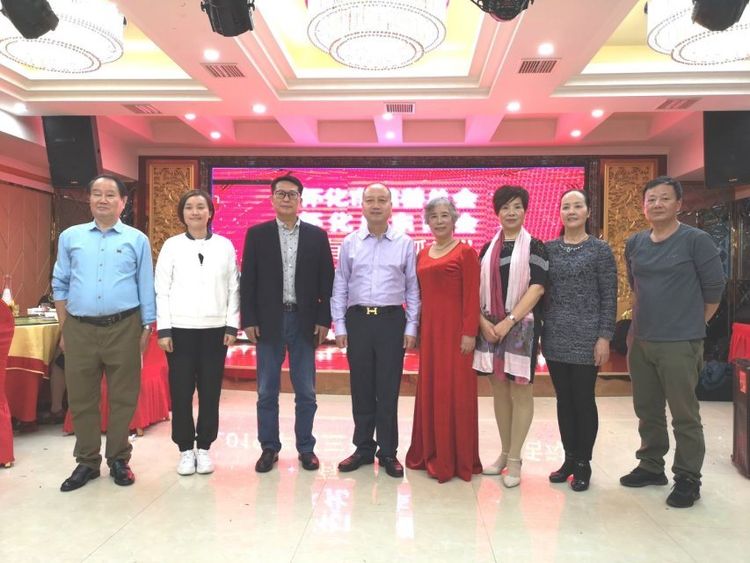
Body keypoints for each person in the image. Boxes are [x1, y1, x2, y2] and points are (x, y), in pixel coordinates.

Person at [620, 176, 725, 508]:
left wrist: (693, 324)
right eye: (651, 199)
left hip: (680, 341)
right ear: (643, 206)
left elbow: (714, 290)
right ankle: (651, 465)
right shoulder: (635, 242)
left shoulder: (696, 241)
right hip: (641, 339)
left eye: (665, 198)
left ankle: (688, 477)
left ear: (679, 204)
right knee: (647, 409)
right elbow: (635, 284)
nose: (657, 204)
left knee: (684, 414)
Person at [52, 174, 155, 492]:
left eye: (110, 194)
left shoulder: (136, 239)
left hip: (124, 326)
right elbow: (60, 283)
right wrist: (65, 327)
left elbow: (145, 285)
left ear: (123, 202)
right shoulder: (70, 237)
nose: (103, 199)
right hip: (79, 327)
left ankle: (119, 459)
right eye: (96, 193)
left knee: (124, 397)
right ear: (89, 199)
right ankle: (86, 461)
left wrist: (147, 327)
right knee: (81, 397)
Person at [240, 175, 334, 473]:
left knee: (306, 391)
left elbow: (327, 283)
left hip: (304, 322)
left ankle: (306, 448)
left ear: (300, 200)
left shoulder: (317, 236)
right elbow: (248, 281)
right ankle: (269, 448)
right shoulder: (257, 235)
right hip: (269, 322)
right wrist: (248, 319)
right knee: (267, 390)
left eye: (292, 194)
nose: (286, 198)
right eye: (280, 193)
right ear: (272, 199)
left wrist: (324, 319)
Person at [332, 183, 420, 478]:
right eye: (370, 200)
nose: (376, 205)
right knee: (361, 387)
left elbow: (413, 288)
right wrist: (339, 324)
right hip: (358, 321)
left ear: (391, 206)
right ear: (362, 206)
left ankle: (388, 451)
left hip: (391, 321)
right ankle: (363, 448)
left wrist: (411, 326)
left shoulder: (405, 243)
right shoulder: (350, 242)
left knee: (388, 388)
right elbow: (340, 285)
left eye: (382, 200)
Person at [155, 189, 240, 476]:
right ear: (182, 213)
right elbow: (161, 289)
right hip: (179, 331)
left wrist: (231, 324)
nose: (195, 212)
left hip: (215, 331)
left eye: (201, 207)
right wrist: (164, 328)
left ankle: (203, 448)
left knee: (210, 392)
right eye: (189, 207)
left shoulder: (225, 246)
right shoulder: (172, 246)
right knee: (181, 393)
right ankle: (184, 449)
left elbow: (234, 288)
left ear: (210, 212)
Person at [542, 189, 617, 492]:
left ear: (588, 211)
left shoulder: (600, 250)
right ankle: (569, 458)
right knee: (563, 399)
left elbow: (609, 296)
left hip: (588, 337)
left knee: (583, 399)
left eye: (577, 206)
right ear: (559, 213)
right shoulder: (548, 249)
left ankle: (584, 462)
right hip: (555, 335)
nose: (571, 211)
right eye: (566, 207)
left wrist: (604, 336)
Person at [475, 185, 547, 488]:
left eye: (517, 206)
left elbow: (537, 288)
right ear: (497, 212)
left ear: (525, 210)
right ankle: (504, 454)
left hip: (521, 328)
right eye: (505, 207)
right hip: (490, 328)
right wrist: (482, 322)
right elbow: (475, 291)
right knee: (499, 391)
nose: (511, 212)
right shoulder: (487, 249)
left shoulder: (536, 247)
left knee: (521, 392)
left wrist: (509, 321)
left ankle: (516, 459)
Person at [405, 197, 482, 482]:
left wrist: (469, 332)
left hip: (457, 334)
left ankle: (456, 458)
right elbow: (419, 295)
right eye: (434, 216)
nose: (439, 221)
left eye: (444, 215)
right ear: (427, 221)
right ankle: (431, 451)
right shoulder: (423, 253)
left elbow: (472, 296)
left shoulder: (466, 253)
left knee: (456, 393)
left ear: (454, 219)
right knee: (432, 390)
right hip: (431, 333)